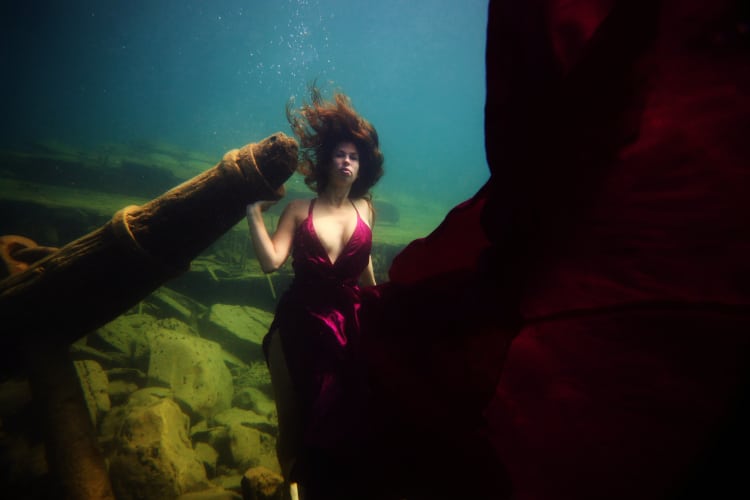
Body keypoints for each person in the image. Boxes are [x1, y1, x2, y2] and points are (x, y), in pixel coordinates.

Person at [245, 87, 384, 500]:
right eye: (340, 155)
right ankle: (296, 488)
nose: (346, 161)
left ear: (362, 168)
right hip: (300, 328)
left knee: (348, 416)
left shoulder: (366, 211)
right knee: (298, 418)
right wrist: (252, 213)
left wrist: (383, 313)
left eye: (354, 156)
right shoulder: (298, 210)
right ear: (326, 163)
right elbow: (271, 261)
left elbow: (366, 271)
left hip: (349, 329)